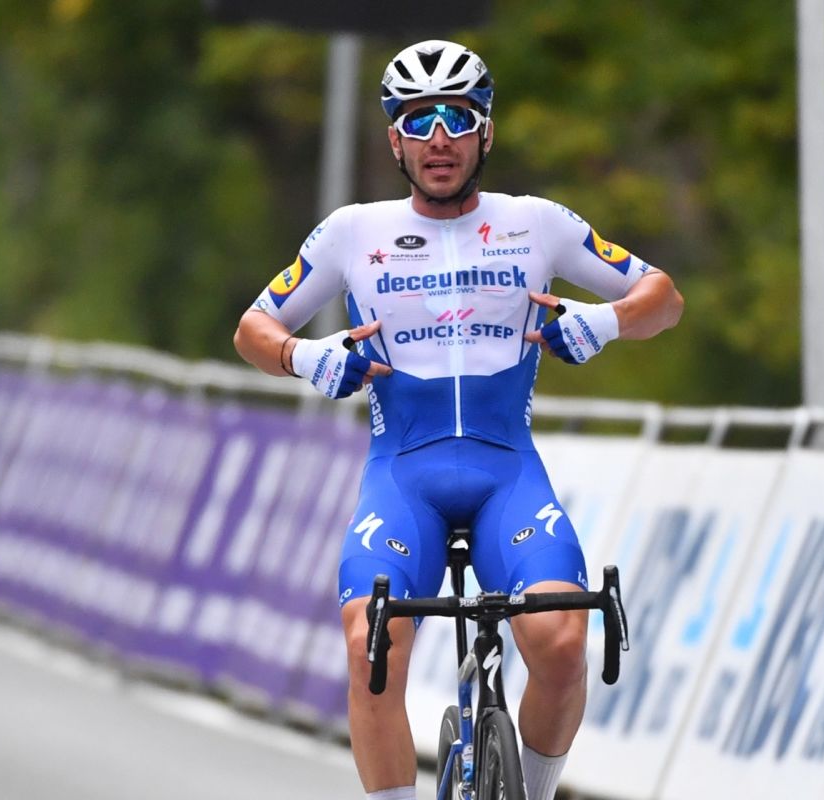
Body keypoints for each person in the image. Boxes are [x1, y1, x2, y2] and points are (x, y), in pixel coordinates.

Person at [234, 40, 683, 800]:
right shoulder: (353, 232)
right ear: (394, 140)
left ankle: (532, 790)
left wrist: (604, 322)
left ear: (486, 131)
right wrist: (305, 357)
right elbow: (254, 328)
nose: (438, 138)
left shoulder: (537, 224)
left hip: (506, 472)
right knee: (370, 647)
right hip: (402, 478)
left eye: (457, 117)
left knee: (562, 642)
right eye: (419, 121)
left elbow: (662, 298)